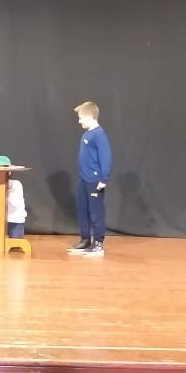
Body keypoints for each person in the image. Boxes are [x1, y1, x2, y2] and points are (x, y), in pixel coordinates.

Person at [69, 101, 111, 257]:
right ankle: (85, 239)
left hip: (95, 181)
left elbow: (106, 158)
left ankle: (98, 243)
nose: (79, 121)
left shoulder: (99, 135)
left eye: (81, 118)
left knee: (96, 212)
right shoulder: (87, 134)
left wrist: (103, 179)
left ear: (89, 117)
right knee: (82, 210)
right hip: (83, 180)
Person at [0, 156, 27, 239]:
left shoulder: (17, 184)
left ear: (10, 171)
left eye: (4, 169)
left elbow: (14, 204)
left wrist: (5, 191)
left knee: (15, 244)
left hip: (15, 221)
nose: (1, 172)